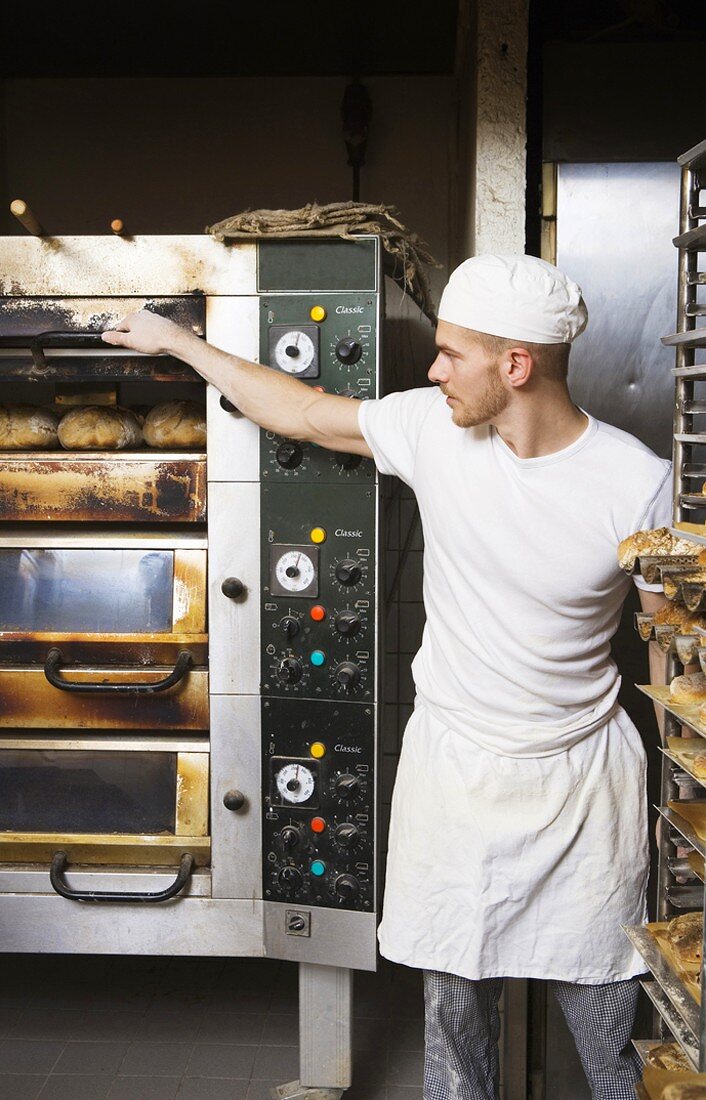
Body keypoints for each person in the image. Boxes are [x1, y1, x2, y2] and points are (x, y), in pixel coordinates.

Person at [104, 254, 671, 1100]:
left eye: (451, 353)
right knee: (453, 1033)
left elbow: (672, 650)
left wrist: (680, 806)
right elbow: (299, 409)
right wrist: (181, 345)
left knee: (608, 1041)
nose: (433, 369)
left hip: (582, 782)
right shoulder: (432, 430)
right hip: (455, 772)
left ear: (515, 366)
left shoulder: (637, 483)